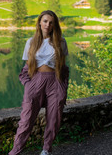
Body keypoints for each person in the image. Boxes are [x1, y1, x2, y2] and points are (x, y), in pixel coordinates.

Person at [9, 10, 69, 155]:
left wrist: (63, 87)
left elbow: (64, 67)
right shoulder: (31, 42)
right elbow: (26, 68)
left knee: (54, 118)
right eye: (45, 21)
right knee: (26, 119)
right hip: (36, 80)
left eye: (51, 22)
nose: (47, 25)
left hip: (55, 81)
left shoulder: (61, 42)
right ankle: (16, 150)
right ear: (39, 23)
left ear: (55, 24)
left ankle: (46, 149)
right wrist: (28, 85)